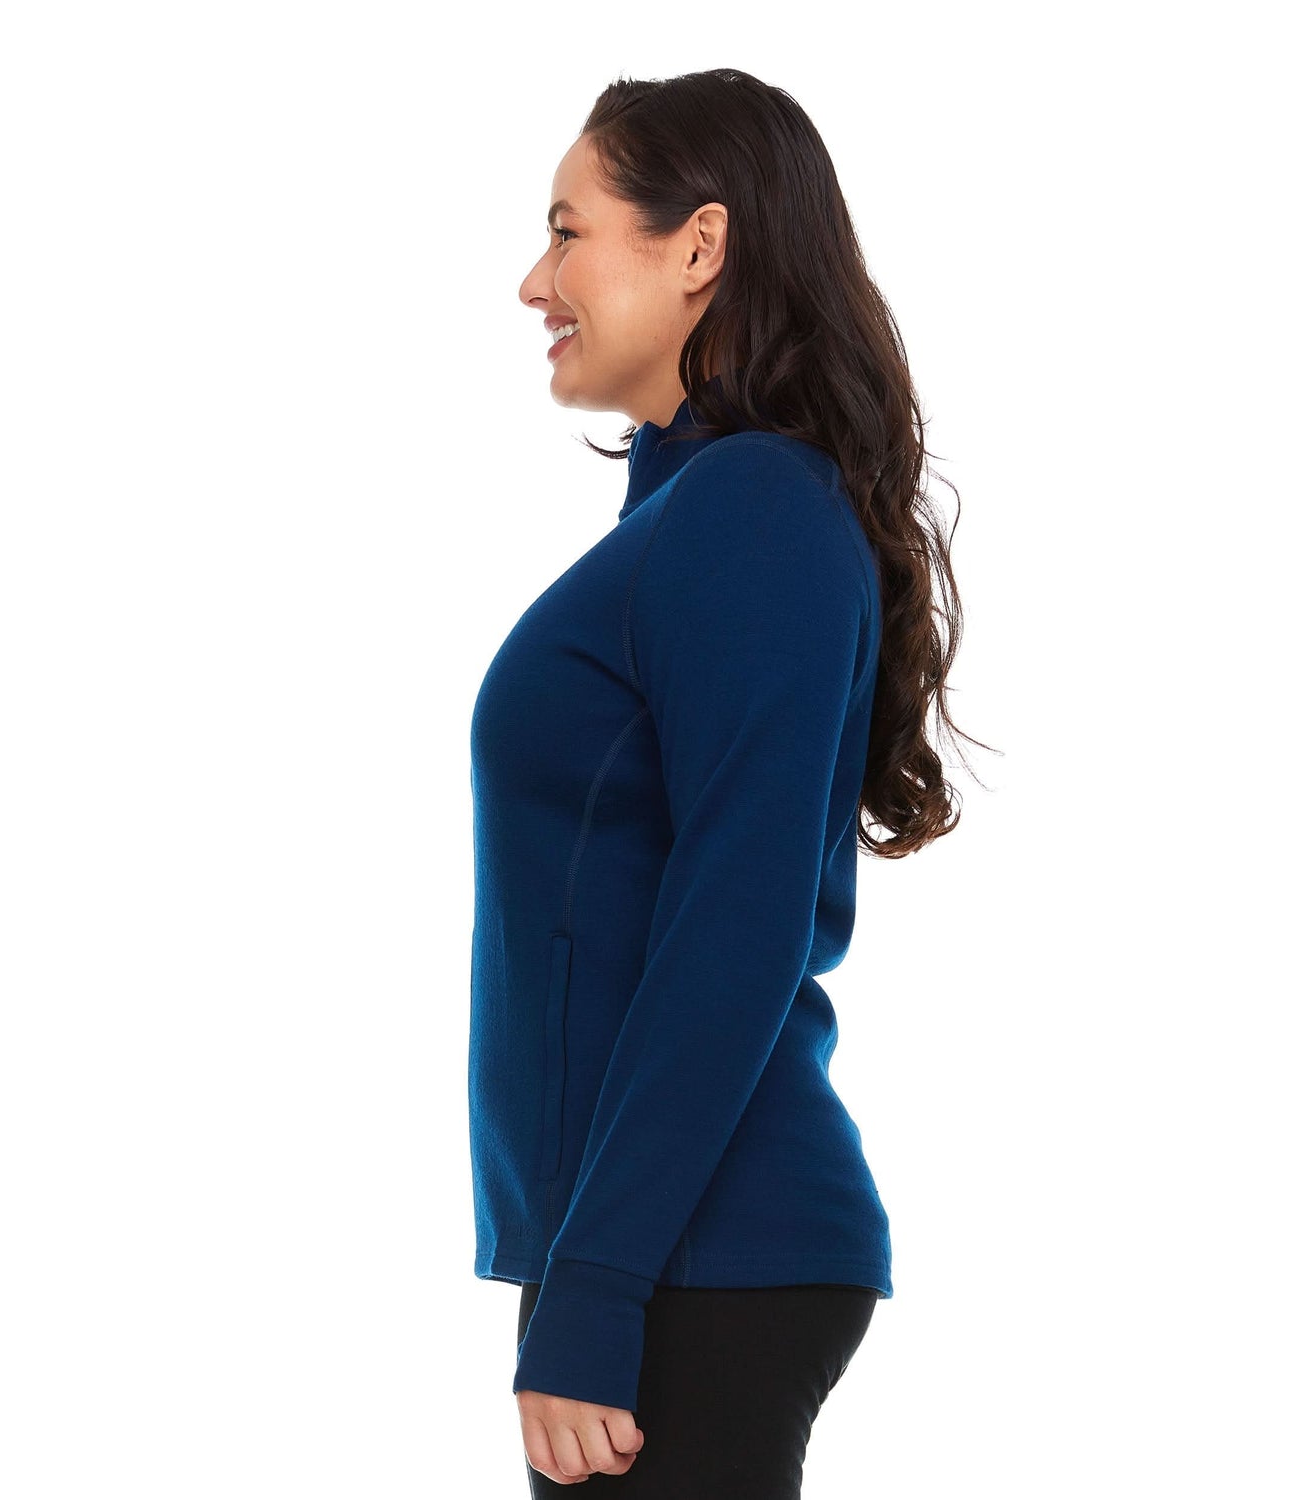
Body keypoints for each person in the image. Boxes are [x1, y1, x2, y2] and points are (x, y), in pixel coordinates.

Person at [470, 68, 990, 1497]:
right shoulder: (705, 510)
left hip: (691, 1255)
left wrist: (599, 1286)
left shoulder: (754, 508)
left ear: (698, 245)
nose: (534, 282)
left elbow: (736, 923)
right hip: (657, 1247)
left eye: (567, 233)